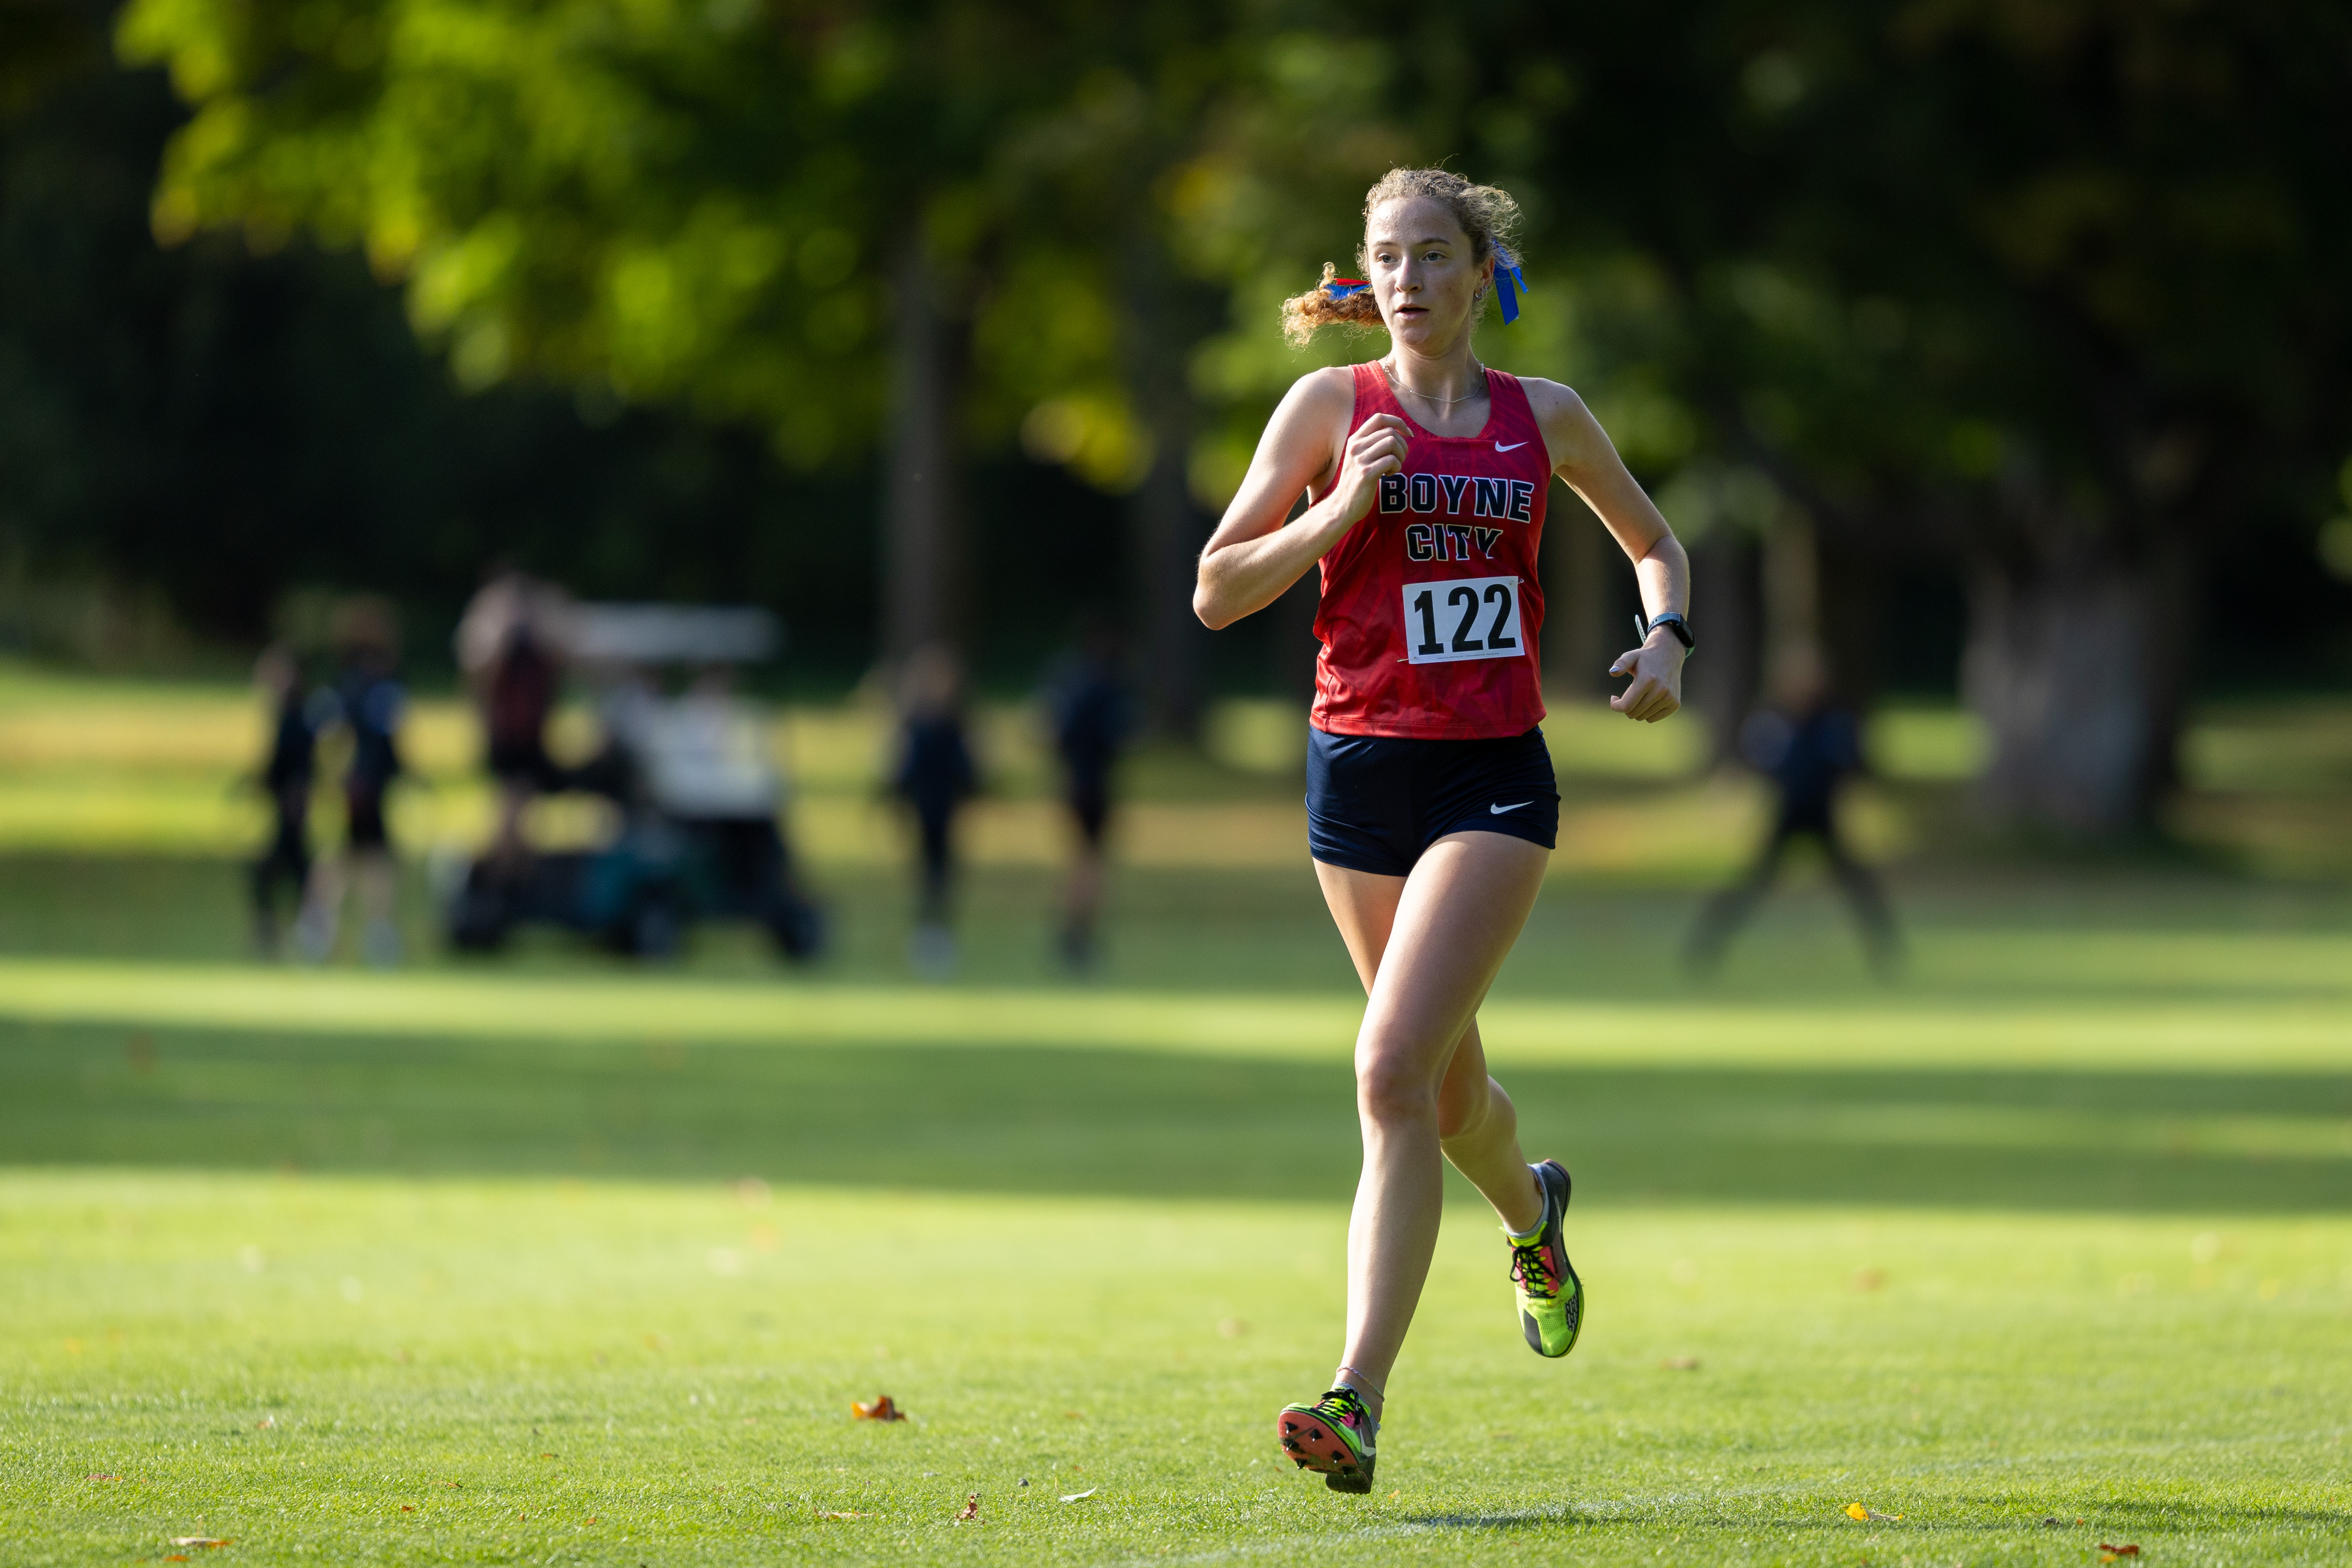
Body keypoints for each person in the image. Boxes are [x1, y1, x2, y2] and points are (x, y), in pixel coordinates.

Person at [1193, 167, 1692, 1493]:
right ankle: (1532, 1209)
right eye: (1384, 256)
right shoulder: (1326, 406)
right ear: (1362, 279)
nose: (1406, 278)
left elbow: (1654, 541)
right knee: (1444, 1092)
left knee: (1385, 1069)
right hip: (1355, 776)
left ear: (1482, 273)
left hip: (1489, 780)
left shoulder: (1545, 415)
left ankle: (1353, 1397)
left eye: (1430, 254)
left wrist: (1664, 638)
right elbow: (1214, 590)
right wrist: (1337, 510)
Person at [1686, 641, 1901, 977]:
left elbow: (1854, 764)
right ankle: (1705, 949)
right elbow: (1753, 762)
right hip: (1787, 816)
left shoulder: (1835, 718)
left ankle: (1887, 952)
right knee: (1750, 885)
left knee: (1858, 886)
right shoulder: (1773, 719)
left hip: (1823, 817)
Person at [296, 597, 408, 967]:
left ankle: (321, 927)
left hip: (350, 784)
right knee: (369, 857)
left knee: (344, 855)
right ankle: (370, 932)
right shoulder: (376, 687)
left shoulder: (344, 684)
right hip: (364, 785)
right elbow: (385, 739)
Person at [455, 568, 570, 863]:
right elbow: (476, 670)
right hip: (506, 730)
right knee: (510, 804)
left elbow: (562, 658)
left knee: (524, 805)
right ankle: (500, 865)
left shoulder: (537, 636)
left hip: (531, 729)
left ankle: (515, 865)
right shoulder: (492, 631)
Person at [1040, 619, 1133, 970]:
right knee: (1090, 861)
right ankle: (1078, 934)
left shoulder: (1069, 681)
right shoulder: (1105, 686)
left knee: (1080, 859)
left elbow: (1054, 733)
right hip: (1095, 785)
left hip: (1073, 783)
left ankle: (1074, 931)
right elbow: (1120, 735)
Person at [891, 643, 977, 979]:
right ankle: (927, 933)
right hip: (924, 807)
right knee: (929, 871)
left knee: (942, 871)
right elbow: (902, 771)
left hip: (946, 808)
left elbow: (967, 770)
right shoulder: (916, 725)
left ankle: (938, 932)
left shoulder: (953, 724)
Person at [247, 644, 326, 956]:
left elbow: (300, 761)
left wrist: (296, 790)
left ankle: (306, 933)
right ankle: (299, 932)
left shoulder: (299, 715)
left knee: (288, 870)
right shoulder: (286, 713)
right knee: (289, 870)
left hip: (293, 804)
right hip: (284, 803)